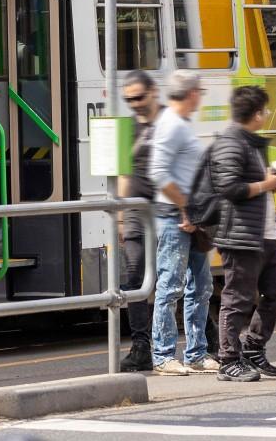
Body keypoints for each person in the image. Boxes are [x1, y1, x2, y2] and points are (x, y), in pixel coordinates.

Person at [211, 84, 276, 383]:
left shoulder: (249, 141)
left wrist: (272, 180)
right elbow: (229, 187)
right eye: (266, 110)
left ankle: (253, 346)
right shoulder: (231, 142)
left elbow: (250, 181)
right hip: (241, 235)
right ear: (257, 114)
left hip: (265, 235)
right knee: (237, 299)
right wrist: (267, 185)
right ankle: (228, 360)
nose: (268, 114)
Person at [148, 69, 216, 376]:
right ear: (190, 93)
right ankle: (163, 355)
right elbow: (158, 173)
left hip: (189, 215)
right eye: (199, 90)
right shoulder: (172, 125)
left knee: (200, 286)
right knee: (171, 285)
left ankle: (196, 353)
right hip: (176, 216)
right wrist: (185, 207)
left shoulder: (179, 124)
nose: (201, 95)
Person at [116, 70, 161, 372]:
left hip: (164, 211)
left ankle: (208, 338)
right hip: (135, 214)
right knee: (134, 280)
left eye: (139, 97)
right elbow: (123, 173)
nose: (134, 104)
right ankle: (141, 346)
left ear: (153, 92)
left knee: (176, 280)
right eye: (128, 99)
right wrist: (121, 218)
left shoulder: (169, 123)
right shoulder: (126, 129)